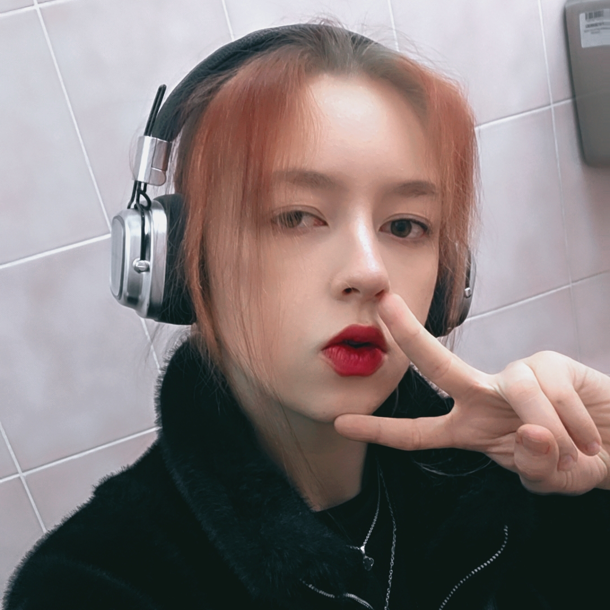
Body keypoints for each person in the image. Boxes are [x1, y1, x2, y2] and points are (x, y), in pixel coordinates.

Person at [4, 22, 610, 610]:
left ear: (450, 279)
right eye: (296, 216)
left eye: (405, 225)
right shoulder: (92, 584)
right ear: (184, 262)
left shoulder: (528, 482)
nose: (369, 272)